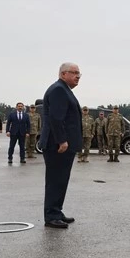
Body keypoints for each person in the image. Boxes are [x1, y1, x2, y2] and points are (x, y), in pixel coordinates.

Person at [40, 62, 82, 228]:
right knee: (55, 180)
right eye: (74, 73)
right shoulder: (59, 89)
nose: (78, 76)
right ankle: (51, 216)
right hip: (56, 145)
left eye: (79, 74)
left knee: (61, 179)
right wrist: (62, 140)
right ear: (63, 74)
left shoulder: (64, 90)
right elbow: (56, 118)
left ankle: (56, 211)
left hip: (61, 144)